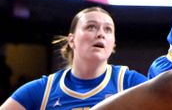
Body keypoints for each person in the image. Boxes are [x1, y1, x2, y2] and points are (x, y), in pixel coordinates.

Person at [0, 7, 146, 110]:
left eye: (108, 29)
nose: (101, 34)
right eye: (91, 27)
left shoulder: (129, 82)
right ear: (71, 40)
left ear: (113, 43)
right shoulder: (44, 90)